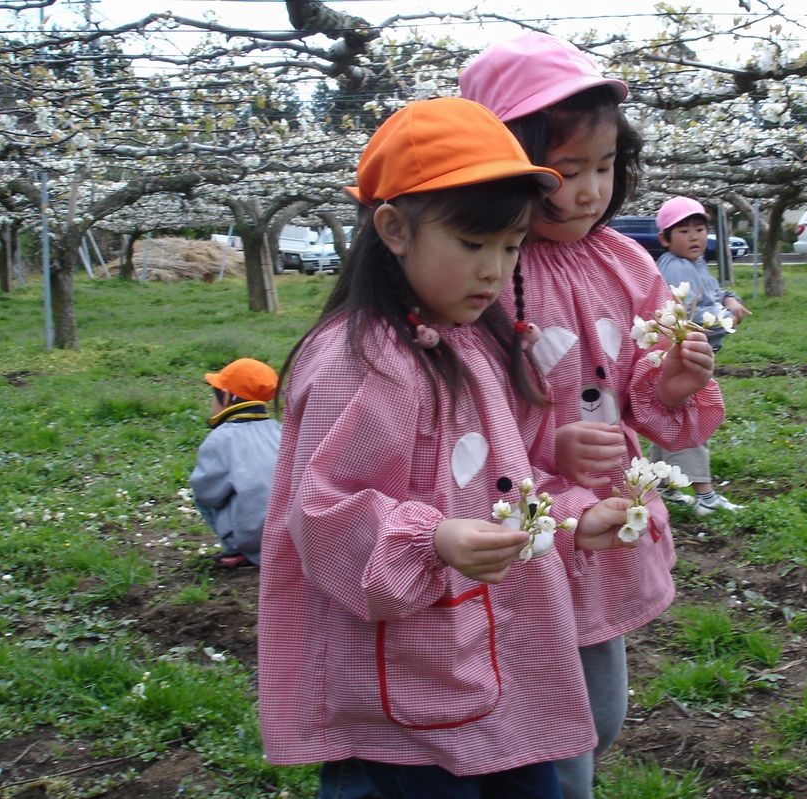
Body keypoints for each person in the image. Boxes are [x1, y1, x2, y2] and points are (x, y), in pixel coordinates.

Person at [256, 97, 636, 799]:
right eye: (472, 244)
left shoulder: (477, 340)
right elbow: (324, 516)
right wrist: (434, 537)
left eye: (511, 245)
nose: (494, 270)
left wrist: (574, 517)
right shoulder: (361, 362)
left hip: (491, 658)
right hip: (405, 686)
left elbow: (506, 481)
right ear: (395, 229)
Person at [460, 33, 725, 799]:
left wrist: (672, 382)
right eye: (565, 171)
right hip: (519, 520)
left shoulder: (627, 261)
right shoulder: (485, 264)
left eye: (604, 168)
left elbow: (642, 376)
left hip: (604, 516)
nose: (587, 192)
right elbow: (468, 403)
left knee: (600, 712)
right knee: (548, 712)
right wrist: (549, 448)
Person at [648, 196, 750, 515]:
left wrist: (729, 299)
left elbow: (714, 292)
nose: (694, 237)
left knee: (670, 419)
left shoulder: (694, 263)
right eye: (684, 231)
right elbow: (693, 319)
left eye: (700, 228)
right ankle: (704, 495)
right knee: (693, 420)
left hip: (689, 357)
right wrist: (726, 317)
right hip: (684, 359)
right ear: (665, 238)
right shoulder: (676, 267)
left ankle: (662, 485)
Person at [189, 357, 282, 569]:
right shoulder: (280, 430)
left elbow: (207, 492)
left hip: (253, 536)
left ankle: (237, 550)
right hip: (289, 535)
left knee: (203, 494)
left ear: (229, 398)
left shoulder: (221, 438)